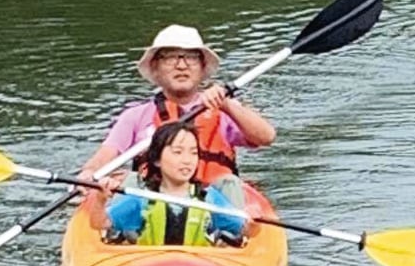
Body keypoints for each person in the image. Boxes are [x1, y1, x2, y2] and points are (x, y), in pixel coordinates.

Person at [78, 24, 275, 204]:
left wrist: (227, 105)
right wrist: (89, 173)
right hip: (151, 205)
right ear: (155, 67)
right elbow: (106, 155)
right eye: (170, 57)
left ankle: (231, 228)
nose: (181, 66)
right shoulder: (135, 116)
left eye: (191, 57)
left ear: (202, 67)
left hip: (213, 207)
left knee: (230, 182)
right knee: (129, 180)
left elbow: (266, 137)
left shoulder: (224, 108)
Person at [88, 122, 253, 247]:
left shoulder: (209, 198)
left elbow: (246, 230)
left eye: (193, 153)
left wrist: (254, 223)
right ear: (157, 160)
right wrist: (100, 199)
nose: (187, 160)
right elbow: (99, 223)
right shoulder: (142, 199)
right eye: (177, 152)